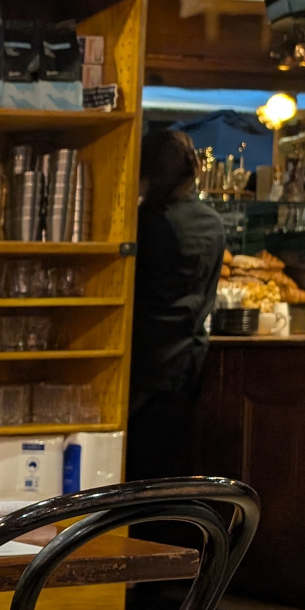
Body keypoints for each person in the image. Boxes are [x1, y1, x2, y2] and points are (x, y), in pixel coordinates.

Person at [128, 129, 227, 481]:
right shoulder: (213, 223)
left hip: (143, 372)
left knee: (135, 481)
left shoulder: (147, 224)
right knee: (165, 479)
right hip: (187, 366)